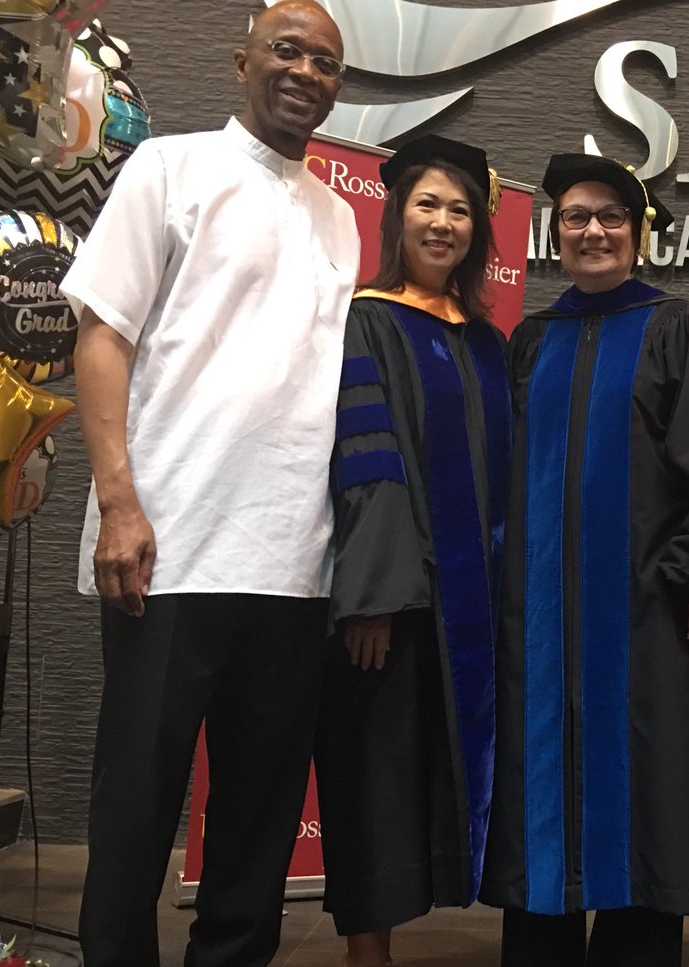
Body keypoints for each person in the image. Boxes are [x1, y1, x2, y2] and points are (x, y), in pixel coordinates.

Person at [61, 3, 359, 964]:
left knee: (257, 828)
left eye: (323, 61)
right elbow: (101, 332)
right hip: (170, 547)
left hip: (294, 564)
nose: (304, 71)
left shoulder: (341, 217)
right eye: (286, 50)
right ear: (242, 63)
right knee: (135, 813)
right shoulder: (168, 168)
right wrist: (117, 503)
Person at [479, 154, 689, 967]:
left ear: (639, 232)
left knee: (643, 823)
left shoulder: (679, 327)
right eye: (576, 216)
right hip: (537, 629)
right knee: (539, 832)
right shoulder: (530, 340)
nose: (593, 230)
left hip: (646, 620)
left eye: (612, 216)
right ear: (556, 232)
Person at [314, 134, 511, 967]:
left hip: (478, 603)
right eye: (428, 205)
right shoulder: (368, 317)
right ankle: (370, 950)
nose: (443, 223)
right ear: (398, 216)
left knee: (438, 767)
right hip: (398, 596)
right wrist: (374, 594)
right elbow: (367, 457)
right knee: (375, 772)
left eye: (460, 210)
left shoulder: (489, 340)